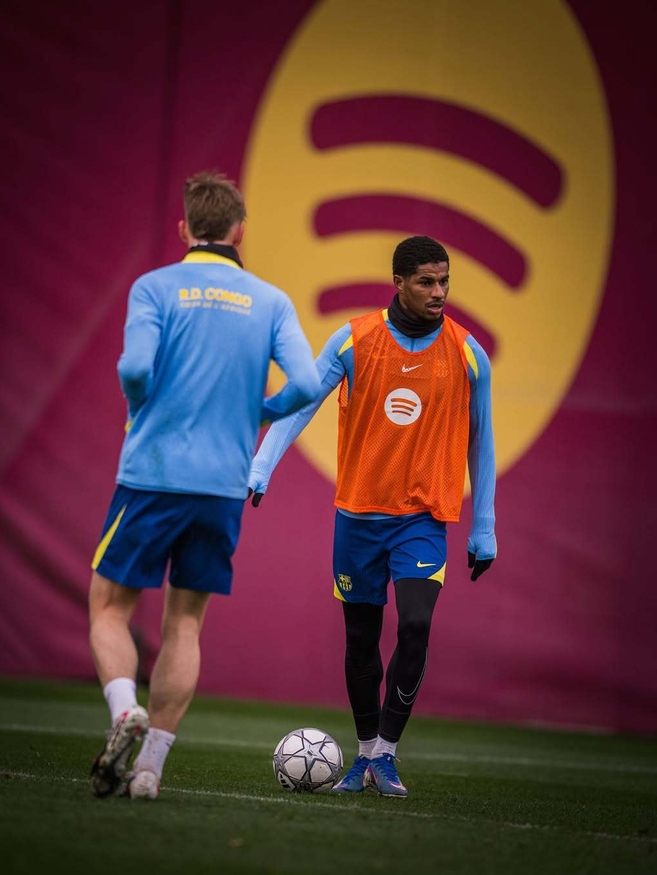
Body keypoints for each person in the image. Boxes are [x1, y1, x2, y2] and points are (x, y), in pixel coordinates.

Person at [88, 172, 320, 800]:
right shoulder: (270, 301)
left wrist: (141, 404)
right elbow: (306, 383)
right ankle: (149, 771)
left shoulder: (155, 287)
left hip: (153, 474)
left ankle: (123, 711)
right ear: (239, 231)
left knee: (109, 608)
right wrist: (260, 412)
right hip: (221, 486)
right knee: (185, 623)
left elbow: (136, 367)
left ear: (185, 229)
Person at [249, 236, 496, 797]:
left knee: (414, 625)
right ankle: (362, 756)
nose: (439, 292)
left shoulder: (467, 354)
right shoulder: (354, 339)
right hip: (357, 519)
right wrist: (261, 465)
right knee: (361, 640)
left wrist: (484, 526)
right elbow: (301, 403)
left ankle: (386, 754)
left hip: (422, 519)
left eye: (445, 281)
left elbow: (481, 441)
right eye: (427, 282)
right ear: (399, 282)